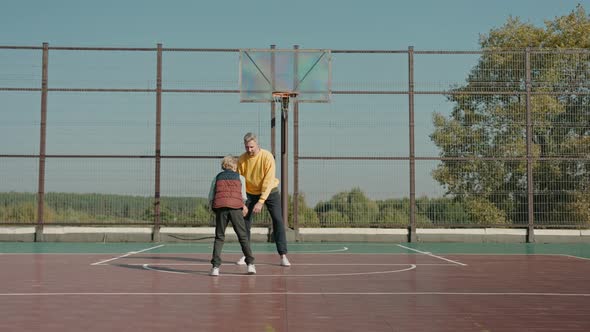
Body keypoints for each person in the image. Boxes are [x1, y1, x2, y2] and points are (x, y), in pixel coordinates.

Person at [236, 132, 291, 267]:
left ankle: (283, 255)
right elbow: (240, 181)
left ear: (257, 145)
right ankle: (246, 255)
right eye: (247, 147)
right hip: (249, 193)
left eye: (252, 147)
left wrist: (261, 201)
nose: (249, 150)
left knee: (278, 220)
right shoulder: (242, 159)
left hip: (270, 191)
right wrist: (242, 202)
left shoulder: (267, 157)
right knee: (245, 223)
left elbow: (268, 181)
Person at [208, 155, 256, 276]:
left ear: (224, 165)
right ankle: (250, 264)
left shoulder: (217, 177)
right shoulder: (240, 178)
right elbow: (243, 196)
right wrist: (243, 206)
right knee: (243, 236)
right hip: (235, 208)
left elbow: (211, 196)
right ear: (235, 166)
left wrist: (213, 208)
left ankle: (215, 267)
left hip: (221, 208)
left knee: (219, 237)